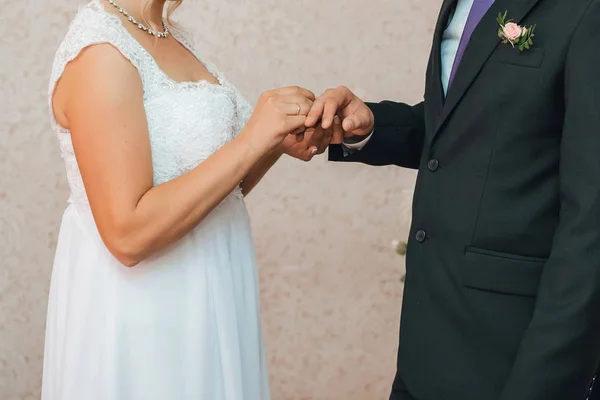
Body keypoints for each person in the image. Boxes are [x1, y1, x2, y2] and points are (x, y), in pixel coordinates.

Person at [294, 0, 600, 398]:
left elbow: (591, 224)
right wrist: (368, 126)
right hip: (424, 355)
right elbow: (469, 125)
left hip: (513, 360)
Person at [42, 0, 340, 398]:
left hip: (211, 296)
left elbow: (210, 194)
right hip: (150, 314)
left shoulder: (167, 34)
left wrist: (271, 144)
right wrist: (250, 141)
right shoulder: (100, 52)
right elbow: (128, 234)